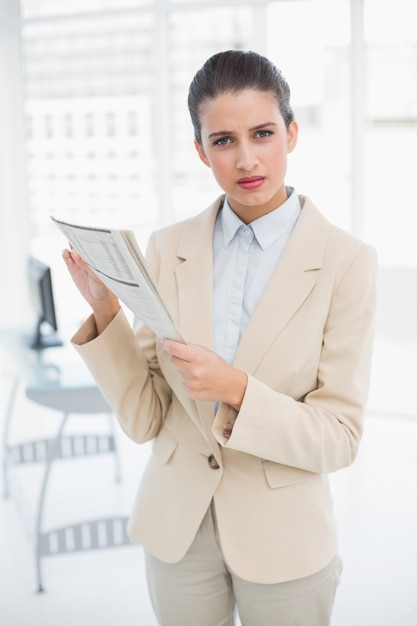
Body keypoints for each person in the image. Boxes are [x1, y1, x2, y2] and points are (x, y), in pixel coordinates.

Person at [62, 50, 377, 626]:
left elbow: (340, 438)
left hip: (285, 541)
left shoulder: (346, 262)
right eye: (224, 140)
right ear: (201, 151)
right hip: (177, 530)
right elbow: (145, 418)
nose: (247, 157)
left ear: (293, 133)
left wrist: (236, 389)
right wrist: (106, 311)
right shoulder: (165, 248)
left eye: (263, 133)